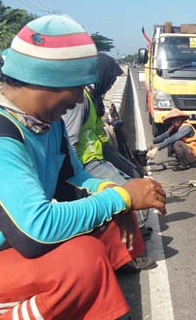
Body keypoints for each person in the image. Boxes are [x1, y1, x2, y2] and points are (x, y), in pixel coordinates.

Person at [0, 15, 166, 320]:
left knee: (112, 228)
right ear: (49, 83)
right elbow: (35, 231)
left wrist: (116, 195)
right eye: (77, 89)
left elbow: (73, 179)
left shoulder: (44, 123)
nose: (79, 100)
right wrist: (122, 197)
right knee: (80, 263)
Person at [62, 53, 154, 269]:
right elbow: (71, 141)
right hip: (86, 164)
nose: (112, 83)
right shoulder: (81, 102)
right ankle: (130, 258)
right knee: (125, 196)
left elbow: (100, 139)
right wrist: (77, 176)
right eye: (111, 79)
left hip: (97, 158)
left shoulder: (92, 99)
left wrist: (126, 164)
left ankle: (135, 238)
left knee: (133, 178)